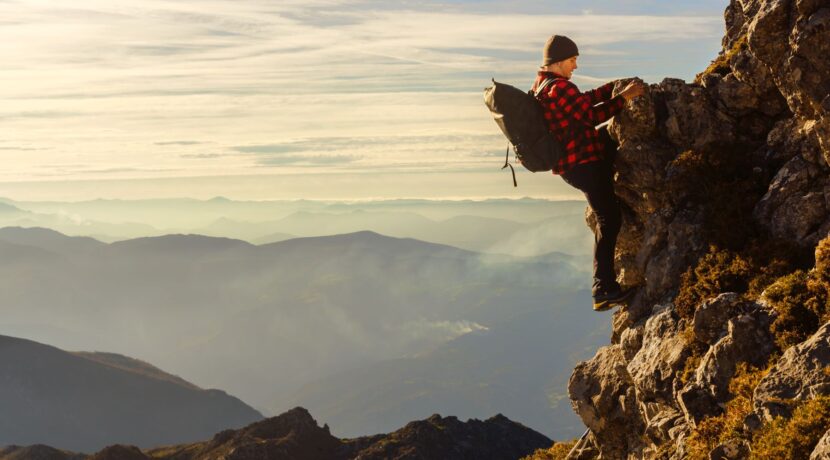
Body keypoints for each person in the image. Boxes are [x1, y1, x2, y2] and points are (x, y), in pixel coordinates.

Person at [532, 35, 645, 312]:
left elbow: (581, 103)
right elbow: (590, 117)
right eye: (572, 61)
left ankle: (603, 287)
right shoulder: (560, 88)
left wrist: (610, 89)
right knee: (608, 218)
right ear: (558, 62)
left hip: (572, 164)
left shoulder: (543, 86)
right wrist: (624, 97)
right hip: (583, 162)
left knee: (606, 214)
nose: (575, 66)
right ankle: (603, 288)